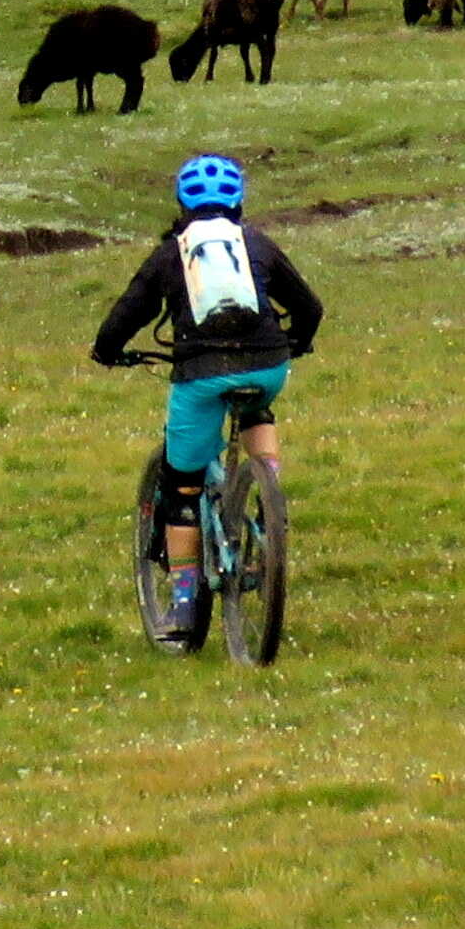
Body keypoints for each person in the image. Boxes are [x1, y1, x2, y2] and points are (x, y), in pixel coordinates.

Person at [88, 152, 324, 648]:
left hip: (201, 373)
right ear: (238, 201)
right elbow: (308, 306)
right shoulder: (255, 242)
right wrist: (296, 342)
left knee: (183, 487)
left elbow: (128, 312)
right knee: (257, 403)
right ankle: (268, 496)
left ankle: (182, 601)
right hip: (268, 365)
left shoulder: (171, 251)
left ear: (182, 201)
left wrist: (107, 350)